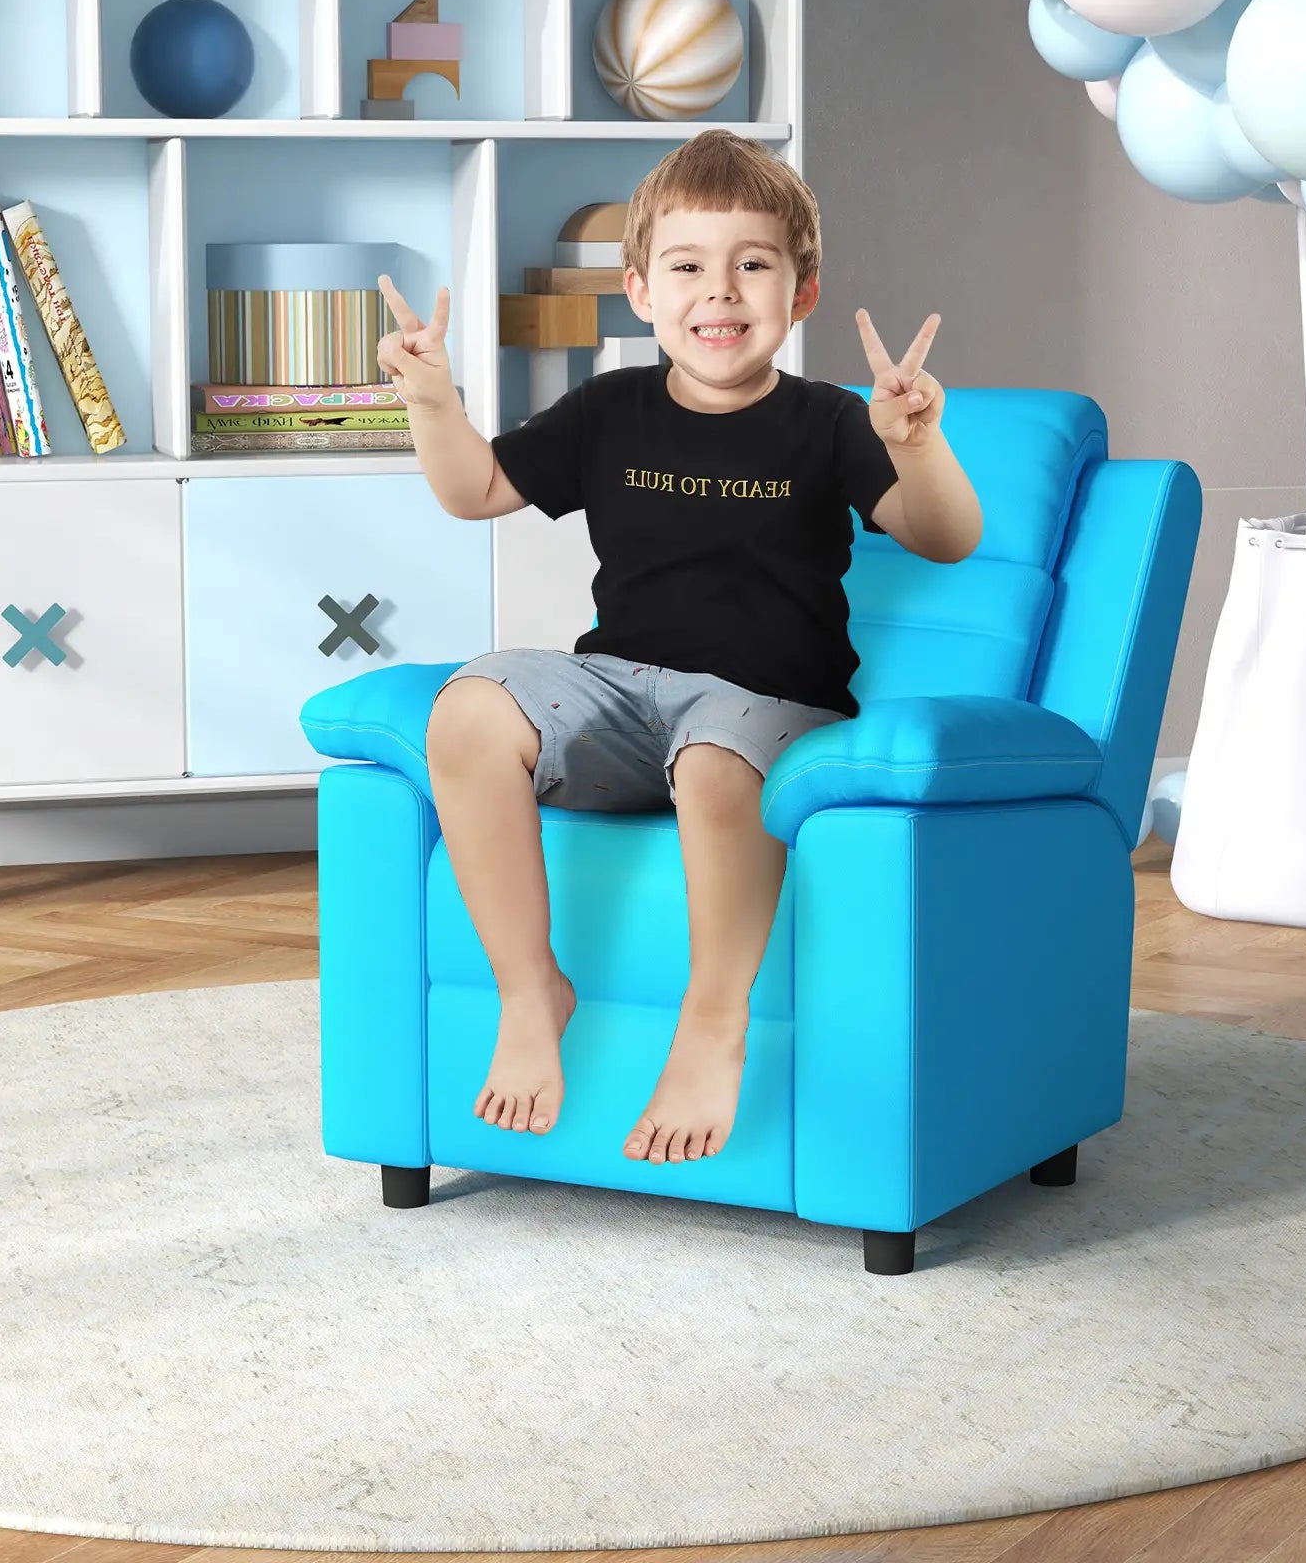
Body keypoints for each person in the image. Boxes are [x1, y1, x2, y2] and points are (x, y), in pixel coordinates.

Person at [373, 128, 982, 1168]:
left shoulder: (832, 421)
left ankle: (711, 1020)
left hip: (768, 705)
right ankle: (530, 990)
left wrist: (914, 442)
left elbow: (946, 536)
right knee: (468, 707)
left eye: (754, 265)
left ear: (802, 293)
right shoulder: (609, 408)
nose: (720, 291)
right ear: (641, 291)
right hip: (618, 690)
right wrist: (433, 398)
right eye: (688, 267)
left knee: (710, 758)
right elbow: (476, 489)